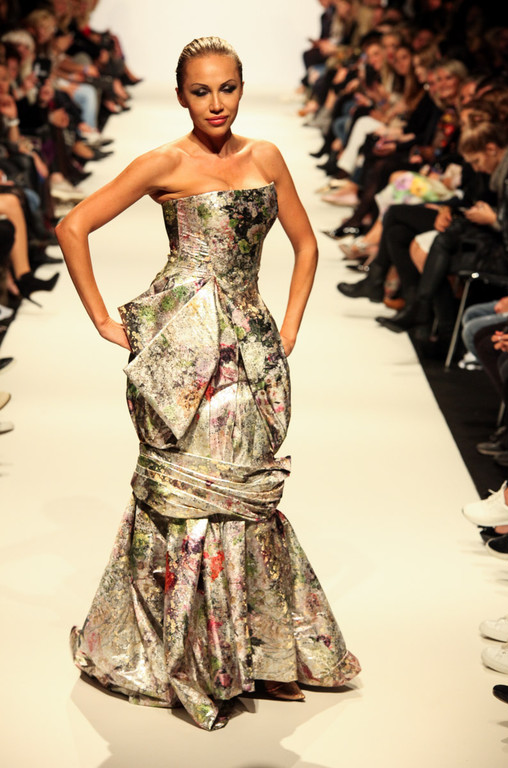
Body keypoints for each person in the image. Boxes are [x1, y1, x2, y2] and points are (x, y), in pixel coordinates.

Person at [56, 37, 360, 732]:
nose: (216, 103)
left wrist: (288, 326)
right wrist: (102, 318)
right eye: (201, 91)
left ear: (242, 87)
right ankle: (199, 661)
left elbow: (306, 244)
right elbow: (74, 225)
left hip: (250, 346)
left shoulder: (267, 157)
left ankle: (260, 653)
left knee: (246, 492)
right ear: (181, 94)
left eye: (227, 88)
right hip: (184, 349)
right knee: (190, 496)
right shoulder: (164, 162)